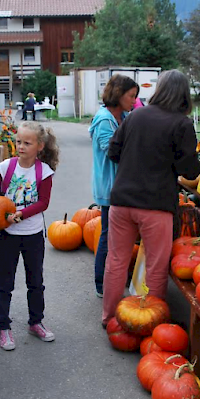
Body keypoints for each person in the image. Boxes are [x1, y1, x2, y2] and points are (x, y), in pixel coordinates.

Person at [101, 70, 200, 327]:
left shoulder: (135, 115)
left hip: (122, 200)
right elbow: (189, 170)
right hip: (156, 206)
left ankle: (109, 318)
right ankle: (150, 323)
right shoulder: (181, 124)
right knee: (156, 268)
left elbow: (113, 152)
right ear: (184, 94)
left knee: (116, 261)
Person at [0, 121, 59, 351]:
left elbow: (43, 202)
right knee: (5, 281)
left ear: (39, 146)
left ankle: (36, 322)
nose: (20, 146)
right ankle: (3, 326)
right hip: (7, 235)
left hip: (32, 235)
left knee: (36, 282)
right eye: (18, 141)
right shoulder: (5, 168)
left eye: (27, 143)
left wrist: (21, 214)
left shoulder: (44, 172)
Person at [89, 75, 139, 298]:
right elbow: (112, 152)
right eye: (131, 95)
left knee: (119, 236)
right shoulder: (104, 120)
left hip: (124, 186)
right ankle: (101, 283)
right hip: (110, 187)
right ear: (118, 95)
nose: (134, 100)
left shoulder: (125, 116)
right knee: (108, 235)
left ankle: (117, 276)